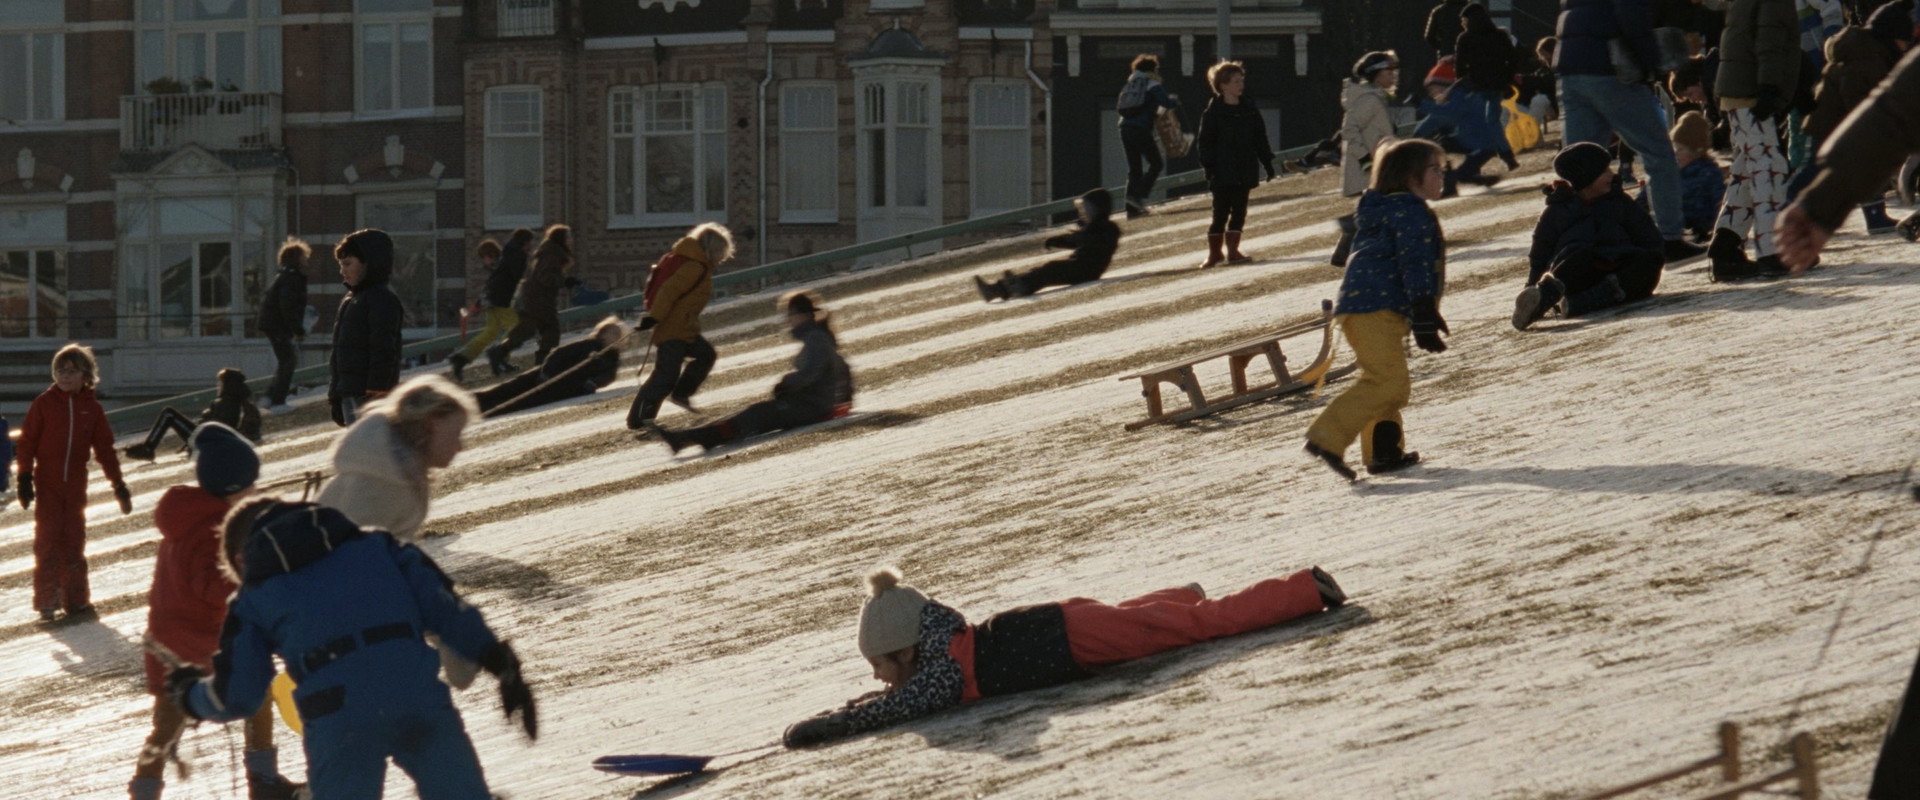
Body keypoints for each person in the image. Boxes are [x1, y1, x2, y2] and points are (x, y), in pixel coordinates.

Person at [165, 498, 536, 799]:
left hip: (337, 719)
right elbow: (448, 611)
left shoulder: (252, 598)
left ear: (241, 559)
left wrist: (189, 695)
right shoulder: (382, 548)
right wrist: (500, 663)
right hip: (414, 693)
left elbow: (239, 696)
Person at [781, 565, 1347, 748]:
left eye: (879, 665)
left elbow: (904, 706)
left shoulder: (943, 674)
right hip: (1066, 624)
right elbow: (900, 693)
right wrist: (851, 705)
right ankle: (1175, 598)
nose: (878, 677)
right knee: (1147, 619)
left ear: (906, 649)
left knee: (1201, 627)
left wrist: (838, 725)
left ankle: (1305, 589)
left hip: (1076, 639)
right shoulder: (943, 650)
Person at [130, 423, 305, 800]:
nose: (254, 491)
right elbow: (214, 588)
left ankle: (144, 791)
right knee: (254, 694)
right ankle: (263, 780)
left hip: (172, 641)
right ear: (233, 487)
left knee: (167, 727)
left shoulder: (191, 519)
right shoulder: (212, 530)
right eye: (250, 485)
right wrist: (253, 579)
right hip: (199, 644)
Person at [1302, 140, 1450, 482]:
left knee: (1387, 381)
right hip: (1375, 308)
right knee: (1387, 382)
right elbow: (1414, 262)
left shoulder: (1385, 208)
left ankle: (1384, 451)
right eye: (1434, 169)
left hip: (1365, 307)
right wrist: (1423, 310)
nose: (1442, 176)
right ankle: (1326, 437)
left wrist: (1426, 312)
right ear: (1410, 176)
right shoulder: (1409, 211)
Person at [1555, 0, 1711, 263]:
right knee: (1659, 154)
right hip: (1611, 67)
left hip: (1569, 69)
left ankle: (1580, 242)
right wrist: (1652, 64)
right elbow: (1632, 17)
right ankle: (1669, 237)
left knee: (1580, 165)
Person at [646, 291, 852, 455]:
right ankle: (689, 438)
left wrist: (786, 384)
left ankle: (689, 439)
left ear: (803, 315)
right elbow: (841, 367)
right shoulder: (819, 337)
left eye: (790, 315)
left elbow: (810, 374)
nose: (788, 321)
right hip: (810, 404)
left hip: (810, 408)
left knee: (755, 415)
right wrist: (843, 399)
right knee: (754, 414)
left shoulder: (816, 338)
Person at [16, 344, 131, 624]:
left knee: (74, 541)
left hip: (76, 485)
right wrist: (24, 476)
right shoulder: (44, 404)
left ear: (85, 375)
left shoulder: (92, 409)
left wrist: (118, 484)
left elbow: (104, 449)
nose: (64, 377)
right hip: (48, 483)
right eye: (60, 371)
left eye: (71, 371)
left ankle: (76, 598)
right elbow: (27, 441)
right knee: (47, 540)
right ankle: (47, 600)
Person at [1776, 45, 1920, 270]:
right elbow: (1895, 117)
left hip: (1838, 138)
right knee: (1805, 170)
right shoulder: (1860, 60)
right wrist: (1822, 206)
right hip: (1829, 136)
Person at [1512, 143, 1668, 330]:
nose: (1612, 175)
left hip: (1622, 267)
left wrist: (1651, 256)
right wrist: (1531, 284)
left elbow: (1648, 236)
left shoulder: (1620, 202)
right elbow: (1541, 251)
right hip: (1581, 274)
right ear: (1586, 178)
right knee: (1574, 259)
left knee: (1646, 265)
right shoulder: (1557, 211)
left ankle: (1583, 302)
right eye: (1605, 172)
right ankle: (1541, 300)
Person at [1706, 0, 1804, 280]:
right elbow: (1770, 40)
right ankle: (1772, 251)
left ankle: (1725, 247)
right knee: (1768, 168)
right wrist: (1770, 87)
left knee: (1747, 168)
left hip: (1738, 87)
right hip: (1753, 90)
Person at [1800, 1, 1914, 233]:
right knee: (1811, 175)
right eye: (1903, 40)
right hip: (1829, 127)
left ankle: (1874, 214)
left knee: (1861, 165)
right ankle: (1787, 214)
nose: (1905, 46)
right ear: (1891, 37)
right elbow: (1856, 96)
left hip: (1841, 126)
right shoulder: (1866, 57)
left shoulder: (1875, 54)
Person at [627, 223, 729, 430]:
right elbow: (668, 291)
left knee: (706, 355)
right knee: (665, 376)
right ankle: (639, 419)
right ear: (713, 250)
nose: (722, 259)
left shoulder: (697, 265)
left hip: (685, 329)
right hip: (672, 331)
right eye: (721, 253)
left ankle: (681, 394)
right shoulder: (694, 267)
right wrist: (654, 317)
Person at [1193, 60, 1277, 268]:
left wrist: (1267, 162)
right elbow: (1205, 143)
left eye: (1241, 80)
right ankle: (1214, 254)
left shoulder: (1249, 109)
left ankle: (1233, 251)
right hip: (1222, 170)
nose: (1241, 85)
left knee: (1240, 210)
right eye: (1236, 81)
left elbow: (1260, 138)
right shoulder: (1213, 113)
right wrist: (1209, 167)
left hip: (1245, 167)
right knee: (1220, 212)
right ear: (1223, 85)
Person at [972, 189, 1121, 301]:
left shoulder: (1107, 229)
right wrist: (1058, 241)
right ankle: (1005, 286)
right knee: (1047, 270)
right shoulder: (1097, 228)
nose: (1084, 213)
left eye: (1086, 209)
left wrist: (1066, 238)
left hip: (1086, 270)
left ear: (1097, 210)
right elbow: (1079, 240)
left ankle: (1018, 286)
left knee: (1050, 270)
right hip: (1082, 268)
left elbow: (1085, 240)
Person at [328, 229, 404, 428]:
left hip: (370, 396)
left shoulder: (381, 299)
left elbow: (384, 349)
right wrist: (336, 394)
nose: (342, 271)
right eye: (341, 265)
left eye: (348, 264)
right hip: (349, 393)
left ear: (369, 263)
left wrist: (377, 391)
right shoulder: (350, 300)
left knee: (373, 444)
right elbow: (339, 353)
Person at [1332, 51, 1401, 268]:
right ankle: (1351, 228)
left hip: (1378, 163)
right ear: (1376, 74)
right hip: (1369, 165)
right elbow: (1349, 131)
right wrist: (1365, 159)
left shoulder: (1376, 97)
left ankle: (1349, 241)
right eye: (1388, 71)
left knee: (1378, 207)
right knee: (1385, 205)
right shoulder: (1368, 100)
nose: (1393, 75)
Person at [475, 317, 625, 416]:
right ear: (603, 334)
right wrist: (546, 373)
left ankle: (485, 412)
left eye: (619, 334)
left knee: (520, 402)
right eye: (613, 333)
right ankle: (474, 402)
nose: (617, 337)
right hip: (545, 375)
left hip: (562, 390)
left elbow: (608, 377)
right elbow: (558, 354)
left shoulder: (612, 359)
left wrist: (591, 384)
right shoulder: (588, 345)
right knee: (507, 389)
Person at [124, 368, 264, 462]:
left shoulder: (227, 403)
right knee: (169, 414)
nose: (218, 386)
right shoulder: (234, 401)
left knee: (169, 414)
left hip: (205, 440)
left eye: (221, 382)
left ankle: (148, 448)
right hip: (206, 438)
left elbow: (217, 427)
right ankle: (148, 447)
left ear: (228, 384)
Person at [1415, 59, 1507, 195]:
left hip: (1484, 144)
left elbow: (1446, 113)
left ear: (1447, 86)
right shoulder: (1451, 101)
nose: (1431, 94)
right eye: (1430, 90)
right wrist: (1416, 137)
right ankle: (1465, 179)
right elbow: (1432, 121)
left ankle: (1457, 183)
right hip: (1472, 142)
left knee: (1462, 173)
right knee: (1440, 146)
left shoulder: (1462, 98)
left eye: (1434, 89)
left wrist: (1422, 105)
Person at [493, 224, 572, 370]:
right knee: (551, 331)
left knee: (526, 329)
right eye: (568, 237)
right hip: (539, 299)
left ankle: (500, 352)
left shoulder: (550, 251)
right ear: (561, 238)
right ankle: (543, 364)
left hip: (534, 297)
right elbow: (545, 277)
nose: (570, 240)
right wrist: (565, 281)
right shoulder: (553, 253)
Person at [1455, 3, 1524, 171]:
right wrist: (1506, 78)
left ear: (1469, 20)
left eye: (1464, 20)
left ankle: (1476, 161)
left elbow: (1460, 66)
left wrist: (1464, 82)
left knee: (1475, 124)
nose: (1463, 23)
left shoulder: (1465, 38)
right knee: (1493, 122)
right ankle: (1508, 156)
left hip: (1476, 87)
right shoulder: (1500, 35)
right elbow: (1513, 59)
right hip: (1497, 86)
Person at [1116, 55, 1181, 219]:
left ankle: (1131, 208)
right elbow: (1165, 103)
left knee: (1134, 169)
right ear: (1152, 69)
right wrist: (1175, 101)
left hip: (1124, 128)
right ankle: (1137, 197)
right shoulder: (1152, 83)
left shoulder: (1131, 83)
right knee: (1156, 163)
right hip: (1140, 129)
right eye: (1156, 69)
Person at [448, 234, 518, 381]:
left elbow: (491, 288)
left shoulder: (498, 266)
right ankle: (500, 358)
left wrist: (478, 305)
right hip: (500, 303)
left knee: (491, 332)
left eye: (484, 257)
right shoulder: (501, 265)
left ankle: (461, 358)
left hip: (493, 304)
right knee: (514, 328)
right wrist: (479, 304)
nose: (484, 261)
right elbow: (494, 288)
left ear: (490, 254)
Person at [257, 237, 310, 412]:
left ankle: (270, 397)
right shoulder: (292, 278)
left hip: (273, 324)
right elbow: (288, 306)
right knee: (288, 361)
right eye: (303, 256)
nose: (306, 259)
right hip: (278, 325)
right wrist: (298, 330)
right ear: (296, 258)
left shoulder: (285, 276)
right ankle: (277, 402)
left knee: (285, 360)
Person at [1665, 110, 1730, 241]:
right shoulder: (1671, 172)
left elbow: (1719, 204)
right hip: (1673, 225)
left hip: (1697, 227)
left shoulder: (1709, 173)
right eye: (1674, 149)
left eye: (1680, 149)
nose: (1676, 154)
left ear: (1697, 150)